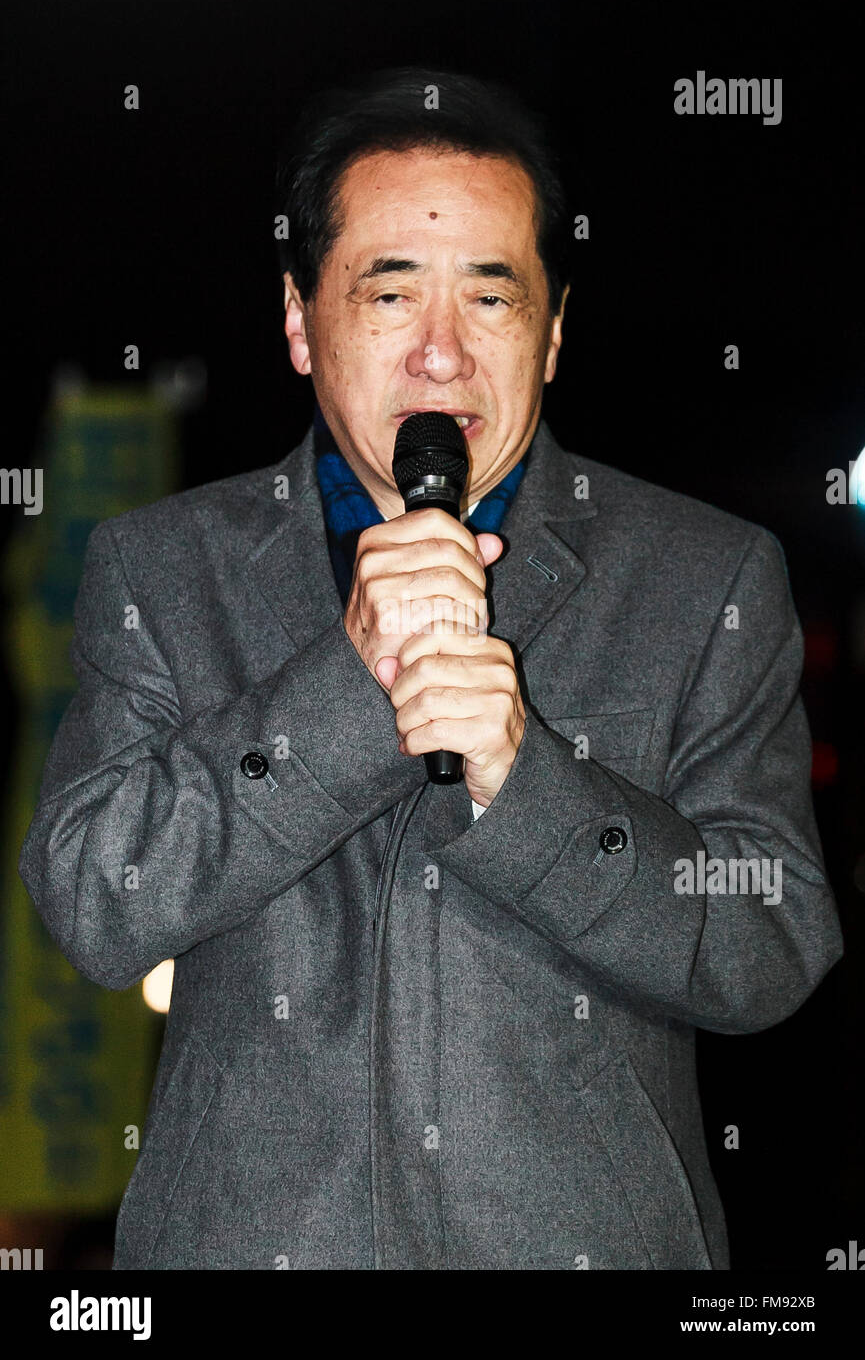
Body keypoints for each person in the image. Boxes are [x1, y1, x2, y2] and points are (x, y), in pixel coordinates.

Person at [19, 67, 842, 1270]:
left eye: (493, 299)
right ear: (300, 319)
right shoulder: (163, 567)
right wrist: (346, 686)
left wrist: (532, 783)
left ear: (553, 331)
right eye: (390, 292)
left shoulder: (703, 579)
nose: (443, 354)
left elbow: (771, 938)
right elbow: (94, 902)